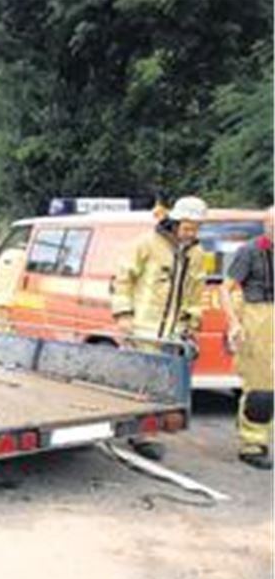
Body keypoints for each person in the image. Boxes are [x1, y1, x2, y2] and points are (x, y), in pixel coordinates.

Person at [111, 195, 208, 460]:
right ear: (175, 222)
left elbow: (195, 292)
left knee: (161, 384)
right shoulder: (146, 244)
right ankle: (138, 432)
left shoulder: (197, 254)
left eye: (196, 228)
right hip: (143, 325)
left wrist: (191, 322)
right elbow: (123, 279)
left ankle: (147, 432)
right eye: (187, 227)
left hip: (173, 331)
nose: (191, 232)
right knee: (141, 380)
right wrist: (123, 314)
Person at [220, 214, 273, 469]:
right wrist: (234, 322)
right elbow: (225, 289)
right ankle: (252, 443)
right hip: (257, 316)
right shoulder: (249, 252)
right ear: (266, 226)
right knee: (260, 386)